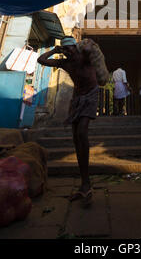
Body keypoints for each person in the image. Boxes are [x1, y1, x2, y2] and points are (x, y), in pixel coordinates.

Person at [37, 36, 100, 207]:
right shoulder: (64, 63)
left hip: (91, 95)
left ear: (76, 48)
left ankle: (86, 183)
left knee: (82, 133)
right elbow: (41, 59)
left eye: (70, 49)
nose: (68, 52)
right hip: (77, 97)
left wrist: (84, 46)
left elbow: (87, 52)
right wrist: (55, 50)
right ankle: (83, 184)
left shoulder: (83, 58)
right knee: (75, 138)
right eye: (65, 50)